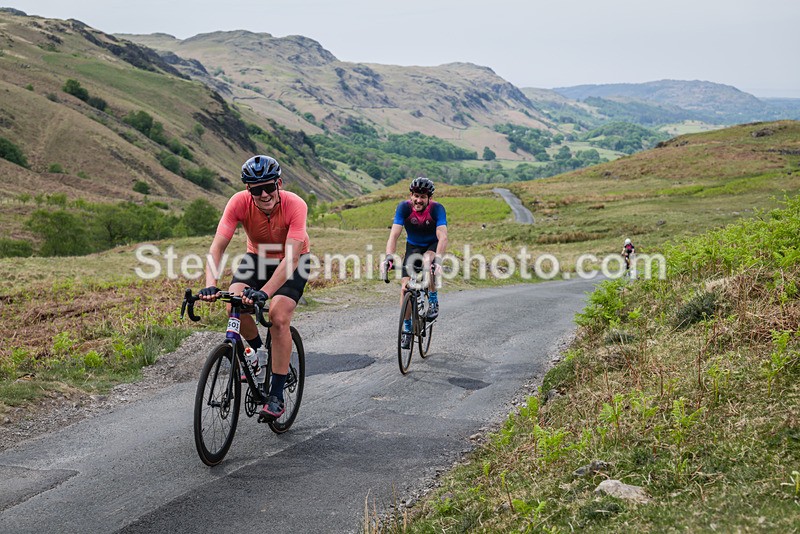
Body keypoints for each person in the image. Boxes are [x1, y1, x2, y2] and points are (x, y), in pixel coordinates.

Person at [197, 155, 310, 422]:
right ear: (248, 189)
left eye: (269, 187)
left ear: (279, 183)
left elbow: (291, 259)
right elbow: (217, 247)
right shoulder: (238, 202)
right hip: (257, 259)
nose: (264, 194)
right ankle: (259, 352)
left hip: (293, 260)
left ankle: (277, 395)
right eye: (256, 189)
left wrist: (265, 293)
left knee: (279, 316)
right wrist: (210, 285)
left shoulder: (296, 205)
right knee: (233, 303)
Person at [382, 177, 448, 349]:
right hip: (413, 247)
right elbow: (394, 235)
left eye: (423, 197)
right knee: (405, 288)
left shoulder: (437, 209)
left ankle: (433, 300)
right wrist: (389, 256)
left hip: (432, 245)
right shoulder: (403, 208)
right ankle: (407, 329)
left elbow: (443, 235)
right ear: (411, 195)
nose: (419, 200)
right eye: (416, 196)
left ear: (429, 198)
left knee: (428, 261)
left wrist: (438, 259)